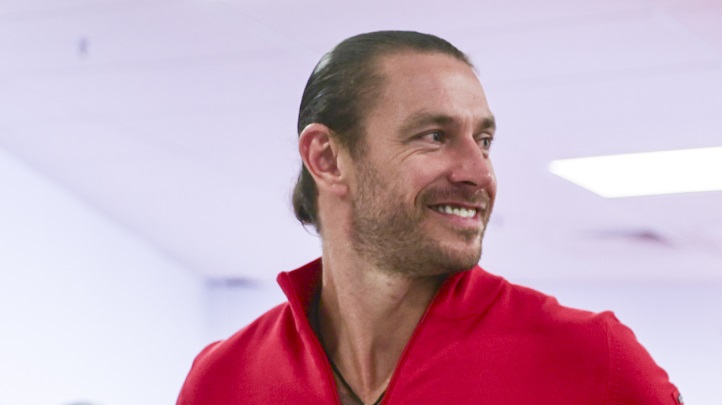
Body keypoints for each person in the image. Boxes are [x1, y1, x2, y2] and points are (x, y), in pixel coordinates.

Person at [177, 31, 681, 405]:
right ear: (327, 159)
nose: (478, 172)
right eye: (434, 136)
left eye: (484, 141)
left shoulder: (592, 360)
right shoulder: (223, 379)